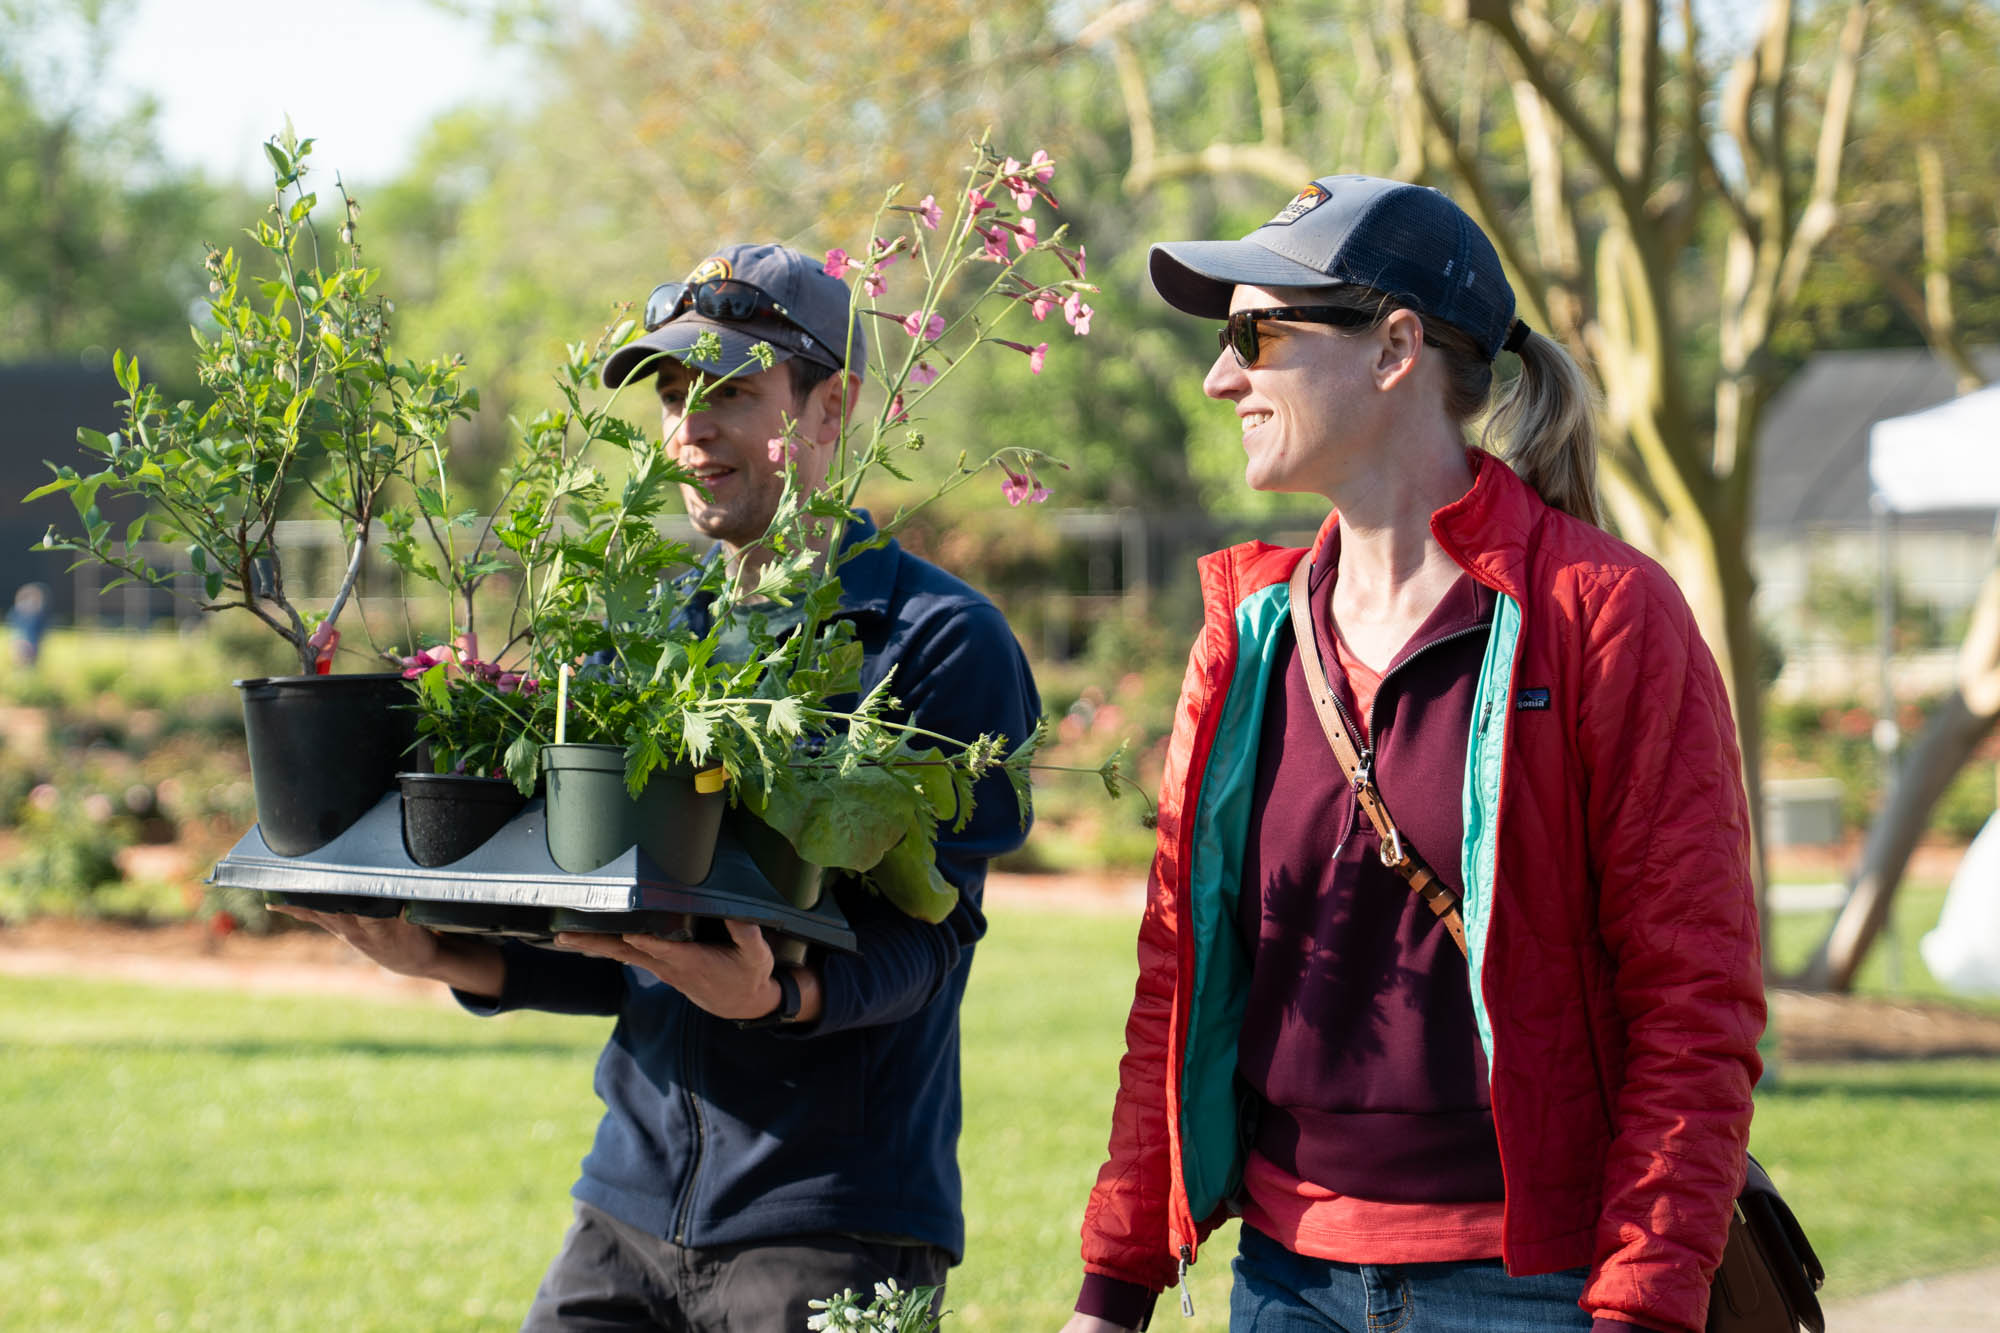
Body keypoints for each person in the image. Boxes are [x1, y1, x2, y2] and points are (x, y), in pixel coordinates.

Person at [278, 242, 1041, 1331]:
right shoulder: (652, 631)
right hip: (626, 1216)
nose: (692, 425)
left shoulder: (935, 640)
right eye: (677, 392)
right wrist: (445, 950)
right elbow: (637, 946)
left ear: (834, 408)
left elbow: (931, 940)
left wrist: (779, 997)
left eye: (734, 389)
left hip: (834, 1224)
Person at [1059, 177, 1764, 1333]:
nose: (1219, 376)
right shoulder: (1247, 637)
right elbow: (1174, 983)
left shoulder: (1601, 617)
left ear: (1394, 348)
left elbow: (1692, 1003)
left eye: (1256, 333)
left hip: (1531, 1288)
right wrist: (1113, 1283)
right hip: (1285, 1282)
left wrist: (1639, 1306)